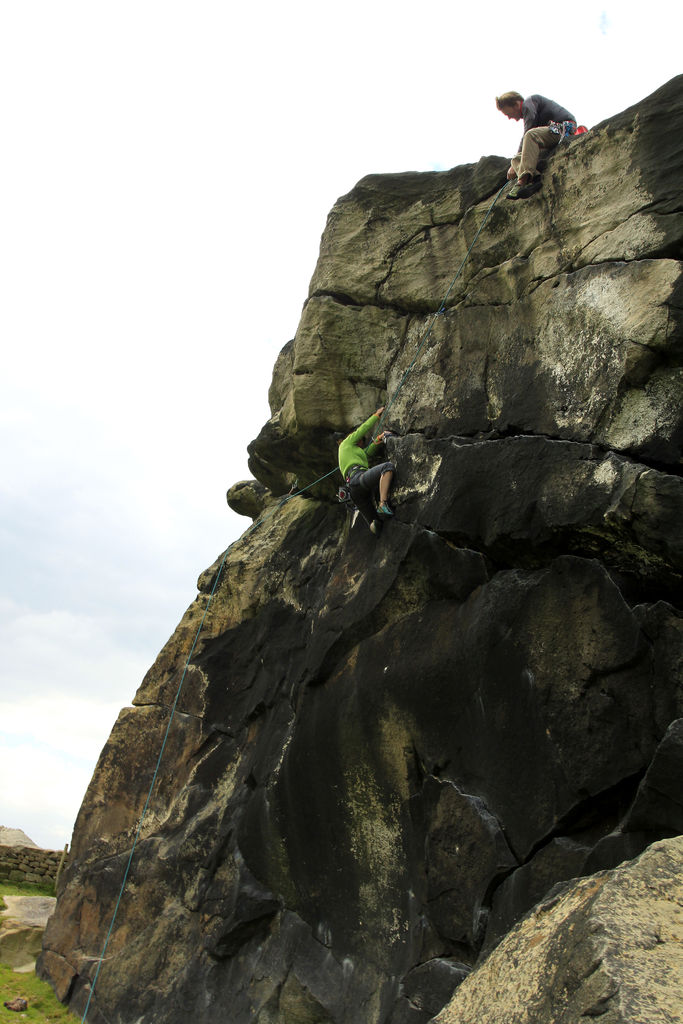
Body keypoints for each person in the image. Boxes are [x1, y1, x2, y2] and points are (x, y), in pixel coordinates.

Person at [496, 91, 577, 199]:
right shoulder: (529, 109)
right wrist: (514, 163)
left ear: (516, 104)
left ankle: (522, 181)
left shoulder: (529, 103)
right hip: (550, 134)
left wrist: (514, 166)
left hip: (563, 128)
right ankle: (535, 179)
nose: (509, 117)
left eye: (507, 114)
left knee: (530, 135)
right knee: (516, 159)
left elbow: (529, 131)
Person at [336, 407, 395, 536]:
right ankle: (383, 503)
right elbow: (362, 429)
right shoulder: (346, 443)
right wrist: (376, 415)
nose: (363, 444)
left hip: (353, 490)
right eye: (362, 441)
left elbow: (367, 453)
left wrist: (378, 440)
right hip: (359, 478)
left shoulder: (351, 452)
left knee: (375, 523)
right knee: (387, 467)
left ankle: (376, 529)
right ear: (357, 439)